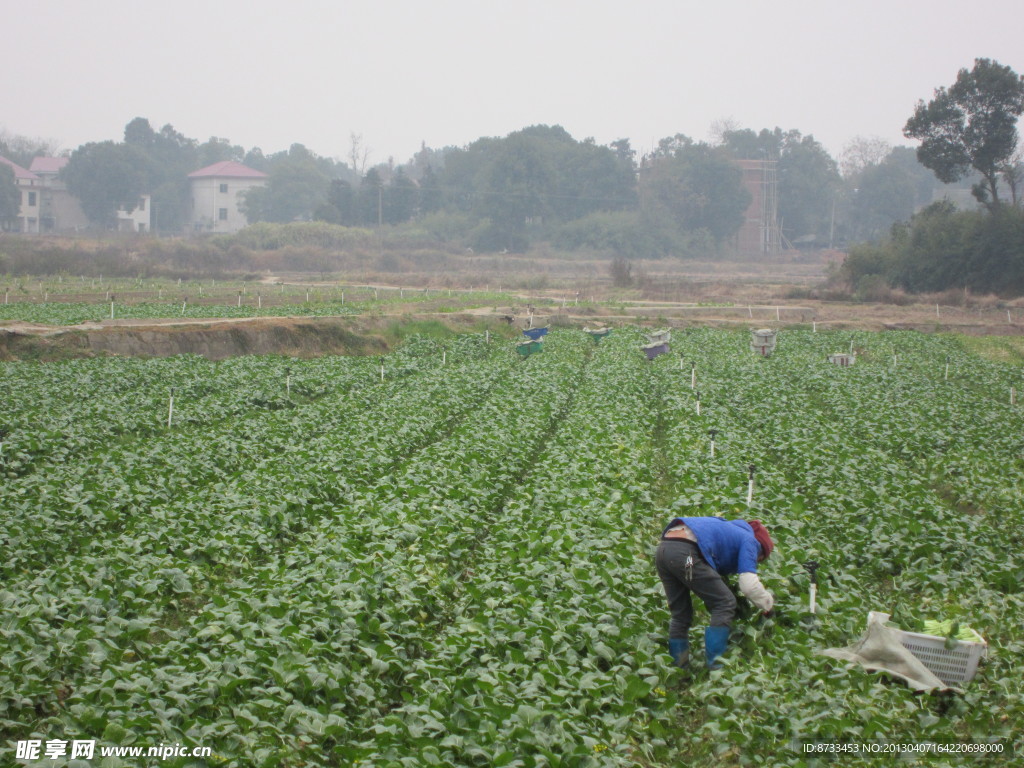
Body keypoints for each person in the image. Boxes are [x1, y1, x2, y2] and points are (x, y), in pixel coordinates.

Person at [656, 516, 775, 669]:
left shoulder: (729, 530)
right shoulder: (751, 541)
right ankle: (716, 666)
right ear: (761, 550)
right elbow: (749, 585)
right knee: (724, 602)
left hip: (664, 551)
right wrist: (767, 605)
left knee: (680, 613)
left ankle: (678, 668)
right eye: (760, 559)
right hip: (686, 557)